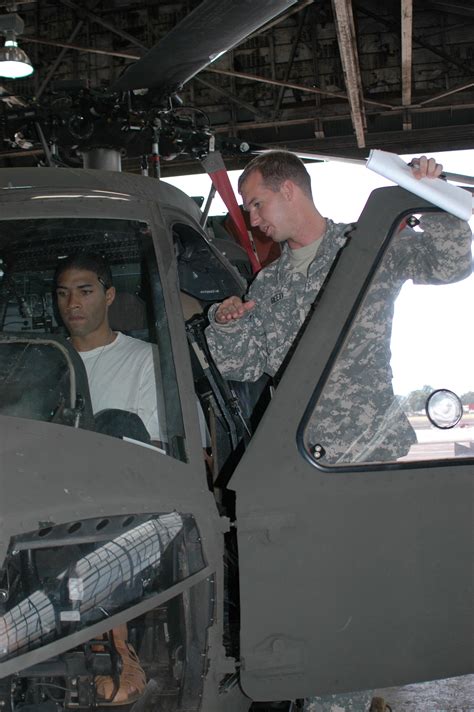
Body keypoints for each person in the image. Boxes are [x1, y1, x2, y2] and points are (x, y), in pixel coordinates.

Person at [205, 151, 472, 462]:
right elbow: (243, 367)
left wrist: (431, 190)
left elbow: (449, 265)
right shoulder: (267, 284)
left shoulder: (366, 246)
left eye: (257, 204)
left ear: (288, 190)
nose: (252, 220)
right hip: (297, 455)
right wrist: (228, 324)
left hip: (367, 453)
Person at [55, 252, 164, 446]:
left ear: (109, 295)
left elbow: (155, 448)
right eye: (63, 293)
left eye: (85, 292)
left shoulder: (147, 359)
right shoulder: (45, 360)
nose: (72, 304)